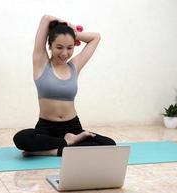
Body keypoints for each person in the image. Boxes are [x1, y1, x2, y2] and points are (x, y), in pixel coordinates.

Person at [13, 15, 116, 156]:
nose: (64, 53)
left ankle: (46, 151)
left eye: (70, 47)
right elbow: (46, 18)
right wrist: (64, 24)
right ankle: (68, 144)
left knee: (109, 144)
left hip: (73, 127)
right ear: (50, 45)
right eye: (59, 47)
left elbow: (95, 37)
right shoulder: (41, 63)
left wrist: (74, 33)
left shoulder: (74, 66)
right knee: (21, 138)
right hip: (46, 128)